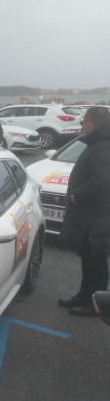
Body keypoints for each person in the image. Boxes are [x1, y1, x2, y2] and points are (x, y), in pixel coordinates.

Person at [58, 106, 110, 316]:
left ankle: (95, 305)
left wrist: (76, 195)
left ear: (90, 124)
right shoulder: (99, 144)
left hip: (97, 219)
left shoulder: (103, 146)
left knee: (96, 263)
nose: (82, 128)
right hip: (91, 217)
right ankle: (84, 295)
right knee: (88, 261)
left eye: (83, 123)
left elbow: (102, 182)